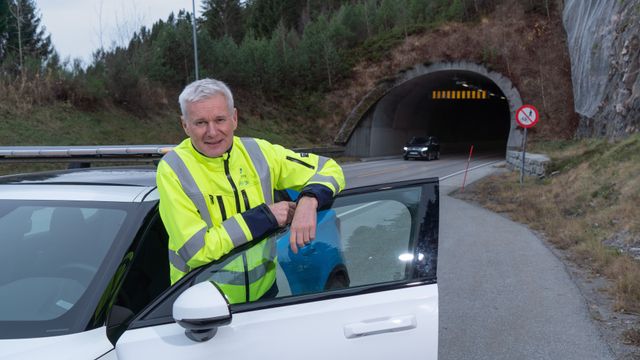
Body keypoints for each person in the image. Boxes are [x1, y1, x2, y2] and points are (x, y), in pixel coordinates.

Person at [156, 78, 345, 304]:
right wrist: (266, 216)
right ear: (185, 125)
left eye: (220, 119)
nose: (212, 132)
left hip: (264, 295)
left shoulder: (259, 152)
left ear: (234, 118)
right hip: (203, 305)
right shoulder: (173, 170)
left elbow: (329, 168)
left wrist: (308, 200)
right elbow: (196, 250)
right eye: (200, 123)